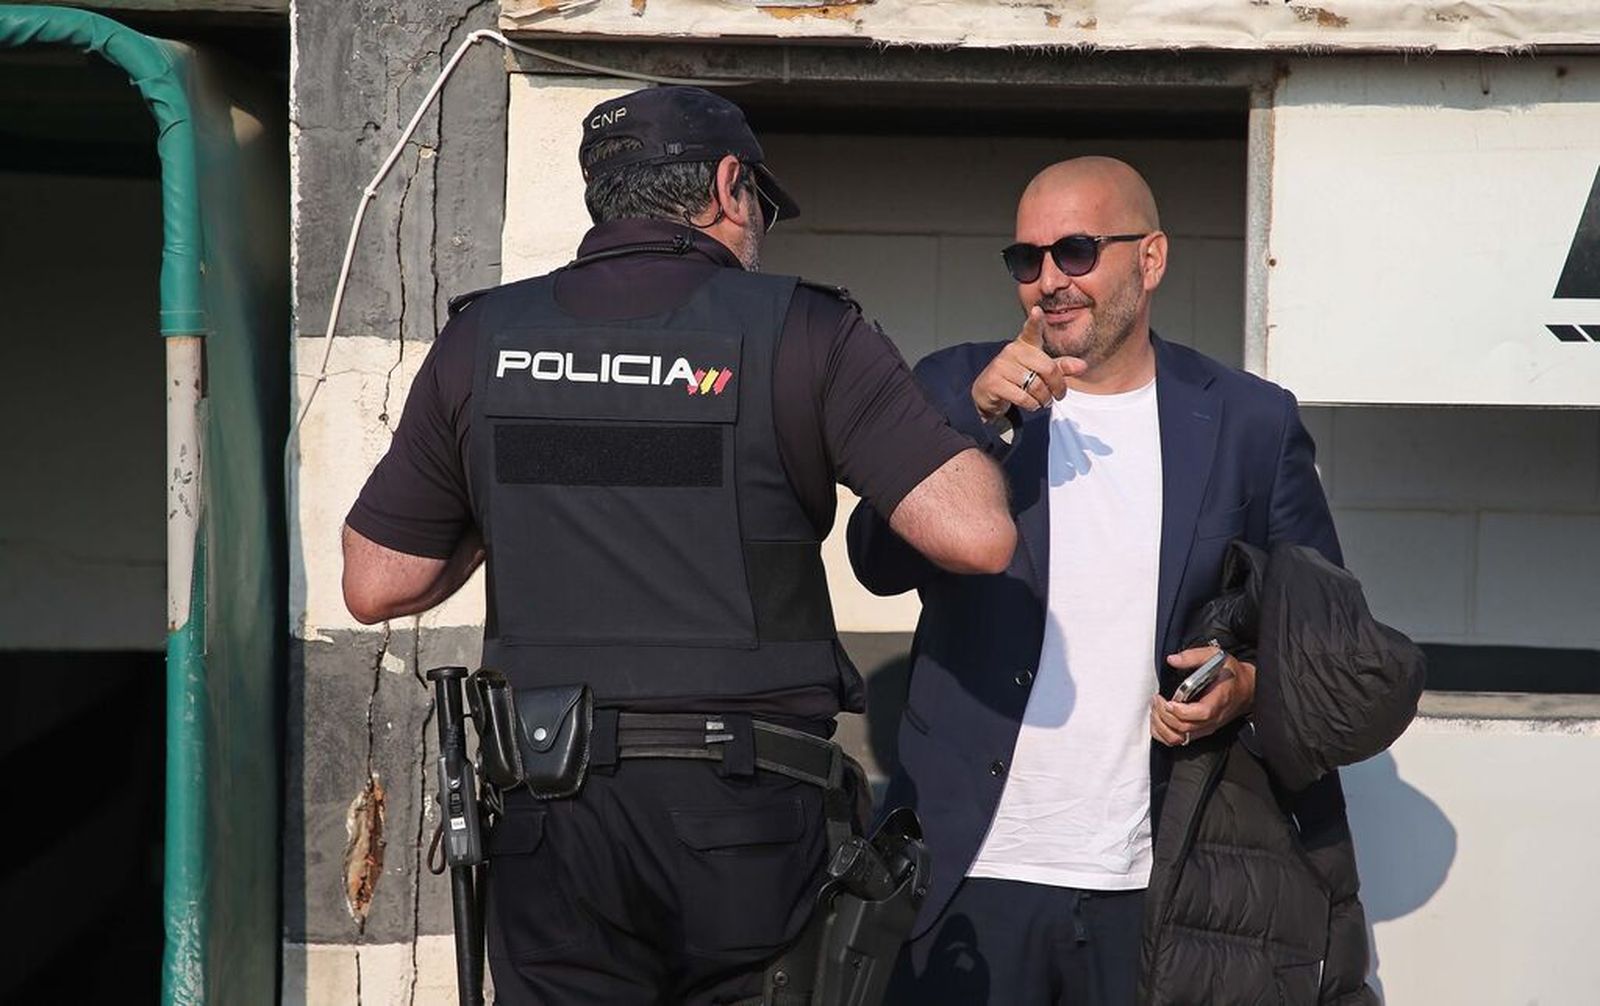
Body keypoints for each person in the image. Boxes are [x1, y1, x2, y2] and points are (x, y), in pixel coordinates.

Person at [340, 85, 1017, 1005]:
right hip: (746, 822)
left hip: (550, 818)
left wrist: (501, 507)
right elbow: (977, 535)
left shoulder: (481, 340)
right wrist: (970, 416)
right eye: (765, 207)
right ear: (730, 188)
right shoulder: (806, 331)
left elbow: (377, 581)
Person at [847, 157, 1354, 1004]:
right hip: (972, 872)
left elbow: (1319, 634)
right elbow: (876, 561)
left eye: (1076, 251)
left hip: (1161, 878)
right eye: (1027, 259)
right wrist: (976, 430)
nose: (1049, 281)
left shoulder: (1248, 420)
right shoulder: (953, 387)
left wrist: (1246, 686)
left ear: (1149, 260)